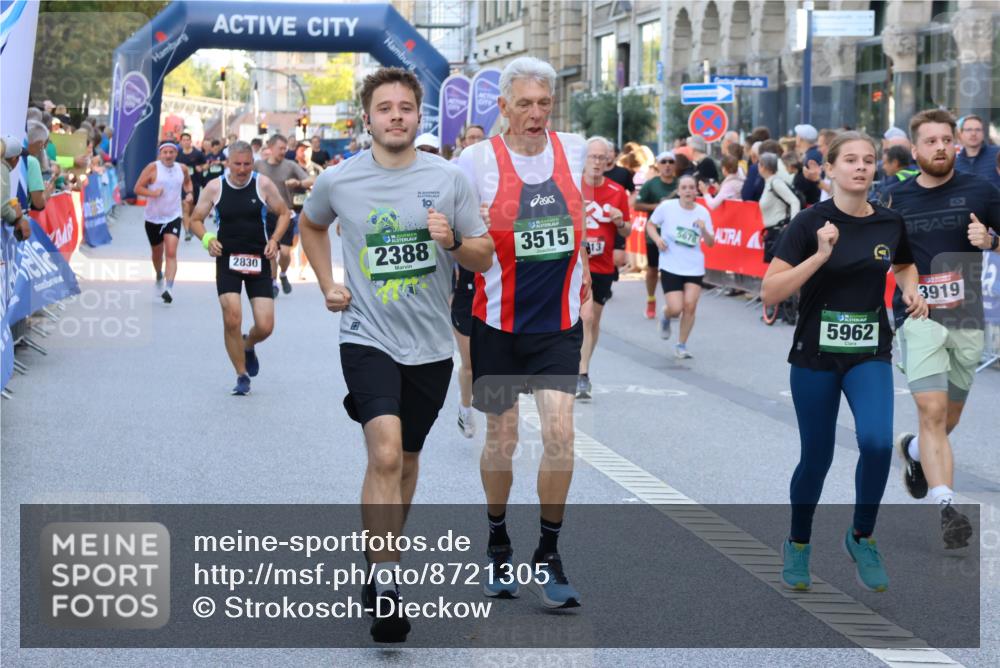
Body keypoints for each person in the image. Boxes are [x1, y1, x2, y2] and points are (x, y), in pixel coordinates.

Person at [299, 67, 492, 643]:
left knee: (406, 461)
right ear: (368, 118)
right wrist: (327, 282)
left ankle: (378, 558)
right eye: (385, 108)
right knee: (383, 453)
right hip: (366, 335)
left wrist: (452, 241)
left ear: (418, 116)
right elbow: (311, 227)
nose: (396, 116)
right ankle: (387, 583)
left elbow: (483, 255)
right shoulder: (340, 180)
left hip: (430, 344)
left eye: (405, 107)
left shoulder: (448, 179)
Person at [761, 130, 928, 593]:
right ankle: (798, 543)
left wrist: (911, 289)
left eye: (868, 160)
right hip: (814, 355)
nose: (861, 167)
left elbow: (904, 264)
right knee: (817, 457)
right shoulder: (809, 222)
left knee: (876, 443)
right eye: (850, 160)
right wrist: (820, 255)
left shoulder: (889, 222)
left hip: (869, 352)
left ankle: (861, 536)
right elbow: (770, 292)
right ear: (830, 168)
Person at [457, 56, 590, 610]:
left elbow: (584, 214)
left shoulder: (575, 150)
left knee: (560, 434)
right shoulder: (475, 161)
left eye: (544, 103)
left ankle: (549, 553)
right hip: (497, 324)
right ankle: (497, 542)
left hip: (558, 326)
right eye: (524, 104)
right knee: (503, 439)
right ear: (503, 106)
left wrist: (588, 266)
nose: (535, 114)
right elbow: (457, 236)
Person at [882, 109, 1000, 549]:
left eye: (946, 140)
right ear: (914, 150)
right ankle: (947, 507)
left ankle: (913, 451)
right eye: (930, 141)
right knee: (931, 412)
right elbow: (889, 257)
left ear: (956, 144)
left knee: (947, 419)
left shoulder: (981, 190)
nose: (940, 147)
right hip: (918, 317)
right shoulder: (895, 198)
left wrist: (993, 242)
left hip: (966, 318)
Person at [188, 141, 291, 395]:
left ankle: (248, 343)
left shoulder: (262, 184)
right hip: (228, 258)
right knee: (232, 317)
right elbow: (195, 220)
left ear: (253, 163)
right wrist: (207, 239)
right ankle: (241, 374)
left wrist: (275, 240)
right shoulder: (215, 187)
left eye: (247, 164)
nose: (242, 169)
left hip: (259, 258)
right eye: (237, 164)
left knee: (265, 326)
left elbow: (284, 213)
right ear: (228, 163)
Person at [578, 136, 630, 398]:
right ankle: (581, 373)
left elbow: (627, 230)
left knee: (592, 319)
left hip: (602, 266)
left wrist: (620, 222)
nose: (597, 162)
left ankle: (583, 367)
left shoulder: (617, 191)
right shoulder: (571, 186)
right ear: (584, 159)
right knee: (583, 317)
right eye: (593, 157)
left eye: (602, 158)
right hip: (574, 264)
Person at [646, 174, 715, 358]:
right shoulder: (667, 207)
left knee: (690, 305)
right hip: (671, 264)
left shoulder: (703, 212)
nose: (688, 191)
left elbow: (710, 243)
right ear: (678, 191)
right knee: (676, 308)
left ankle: (681, 345)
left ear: (696, 191)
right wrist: (657, 239)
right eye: (684, 188)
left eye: (691, 187)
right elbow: (650, 225)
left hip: (694, 266)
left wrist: (703, 229)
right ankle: (667, 315)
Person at [451, 124, 487, 437]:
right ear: (462, 143)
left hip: (497, 284)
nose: (474, 143)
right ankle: (465, 408)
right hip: (466, 286)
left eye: (479, 138)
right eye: (470, 138)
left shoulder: (498, 181)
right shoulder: (452, 180)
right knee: (471, 363)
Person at [254, 133, 315, 297]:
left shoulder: (290, 166)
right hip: (267, 215)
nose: (283, 151)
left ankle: (283, 273)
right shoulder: (259, 165)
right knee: (271, 251)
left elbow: (312, 180)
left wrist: (299, 183)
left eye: (285, 148)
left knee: (286, 253)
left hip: (286, 214)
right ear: (270, 148)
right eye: (280, 148)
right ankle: (273, 282)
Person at [133, 141, 193, 304]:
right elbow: (137, 188)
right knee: (157, 253)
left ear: (176, 154)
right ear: (160, 154)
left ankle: (169, 289)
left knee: (171, 252)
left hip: (173, 216)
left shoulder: (182, 168)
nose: (168, 155)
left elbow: (188, 182)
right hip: (153, 218)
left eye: (171, 152)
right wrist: (153, 193)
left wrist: (189, 193)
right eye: (165, 152)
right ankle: (159, 273)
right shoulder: (153, 168)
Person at [634, 151, 677, 318]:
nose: (667, 165)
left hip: (675, 236)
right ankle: (651, 300)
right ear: (658, 165)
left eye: (671, 162)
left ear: (675, 165)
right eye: (664, 162)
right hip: (654, 235)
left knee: (672, 272)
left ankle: (672, 303)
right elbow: (637, 205)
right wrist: (656, 206)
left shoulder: (680, 184)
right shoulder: (651, 184)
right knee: (653, 269)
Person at [175, 132, 207, 241]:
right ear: (181, 142)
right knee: (185, 206)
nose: (186, 142)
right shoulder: (178, 154)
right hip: (182, 185)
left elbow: (206, 164)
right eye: (183, 140)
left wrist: (201, 168)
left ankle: (191, 226)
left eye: (187, 140)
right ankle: (187, 231)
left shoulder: (197, 154)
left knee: (192, 208)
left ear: (190, 141)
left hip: (195, 184)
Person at [954, 114, 1000, 188]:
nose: (973, 134)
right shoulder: (955, 163)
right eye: (969, 130)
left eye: (978, 130)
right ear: (961, 134)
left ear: (983, 133)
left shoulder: (997, 154)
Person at [1, 136, 32, 241]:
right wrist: (16, 216)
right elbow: (2, 208)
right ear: (14, 158)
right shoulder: (3, 169)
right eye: (19, 157)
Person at [794, 124, 823, 205]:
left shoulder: (809, 158)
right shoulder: (816, 153)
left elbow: (804, 184)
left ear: (800, 139)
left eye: (797, 136)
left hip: (812, 203)